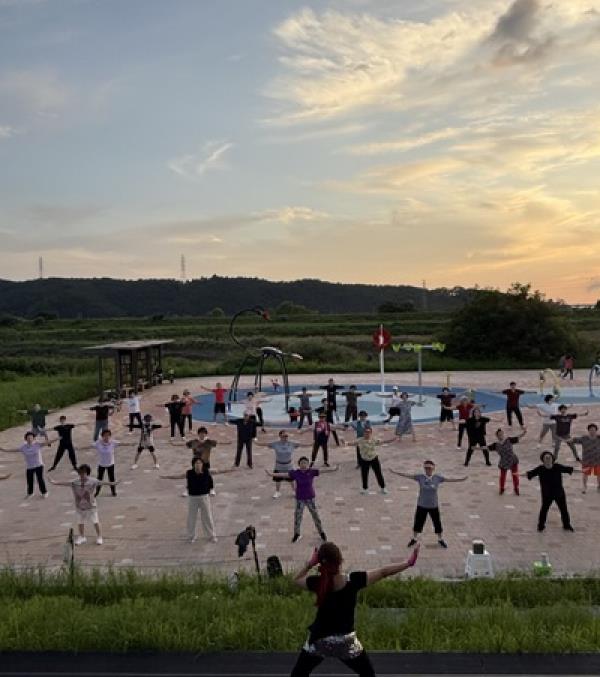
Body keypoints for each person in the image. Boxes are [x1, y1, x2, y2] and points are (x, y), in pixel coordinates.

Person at [289, 541, 419, 677]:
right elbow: (383, 572)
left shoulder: (318, 583)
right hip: (346, 642)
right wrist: (408, 563)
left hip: (318, 641)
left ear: (320, 562)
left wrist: (310, 563)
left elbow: (296, 580)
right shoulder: (354, 580)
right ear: (340, 560)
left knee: (298, 674)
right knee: (368, 674)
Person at [391, 460, 466, 548]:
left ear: (433, 468)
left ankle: (440, 539)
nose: (427, 470)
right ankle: (414, 538)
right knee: (418, 523)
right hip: (421, 505)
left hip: (433, 505)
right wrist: (395, 472)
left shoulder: (437, 478)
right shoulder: (420, 477)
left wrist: (461, 479)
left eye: (429, 468)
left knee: (437, 523)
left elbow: (450, 479)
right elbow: (407, 475)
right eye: (426, 468)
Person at [161, 458, 235, 542]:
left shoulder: (206, 472)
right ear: (193, 465)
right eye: (196, 463)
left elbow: (218, 471)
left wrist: (230, 470)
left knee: (207, 517)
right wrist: (166, 477)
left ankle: (211, 535)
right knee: (191, 518)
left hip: (204, 497)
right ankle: (191, 536)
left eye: (200, 463)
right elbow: (179, 476)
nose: (198, 465)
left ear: (202, 464)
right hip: (193, 498)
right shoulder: (189, 473)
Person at [267, 456, 338, 543]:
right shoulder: (296, 473)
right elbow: (283, 474)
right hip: (300, 499)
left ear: (308, 464)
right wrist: (271, 474)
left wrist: (333, 469)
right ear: (299, 464)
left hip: (310, 498)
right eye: (302, 463)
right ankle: (297, 534)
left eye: (305, 463)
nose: (304, 465)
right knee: (298, 517)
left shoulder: (311, 472)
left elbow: (323, 471)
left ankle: (321, 532)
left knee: (315, 516)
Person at [49, 463, 118, 545]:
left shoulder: (93, 481)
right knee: (80, 522)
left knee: (95, 521)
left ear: (87, 473)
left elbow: (103, 483)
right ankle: (82, 537)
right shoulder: (75, 482)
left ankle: (99, 537)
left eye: (83, 473)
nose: (81, 475)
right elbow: (65, 483)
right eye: (80, 473)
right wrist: (54, 482)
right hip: (79, 506)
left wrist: (113, 483)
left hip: (91, 506)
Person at [525, 451, 575, 532]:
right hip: (547, 494)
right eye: (546, 458)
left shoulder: (557, 467)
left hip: (559, 493)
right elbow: (530, 473)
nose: (548, 459)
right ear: (543, 460)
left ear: (552, 459)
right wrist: (518, 474)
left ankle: (567, 525)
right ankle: (541, 526)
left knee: (564, 509)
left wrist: (582, 470)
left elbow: (569, 469)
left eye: (549, 457)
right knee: (544, 510)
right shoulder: (540, 469)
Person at [255, 429, 312, 498]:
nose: (285, 437)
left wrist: (311, 444)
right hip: (279, 465)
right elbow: (264, 444)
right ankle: (277, 492)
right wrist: (255, 442)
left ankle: (294, 491)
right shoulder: (275, 444)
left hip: (288, 465)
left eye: (286, 436)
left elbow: (302, 445)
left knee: (291, 479)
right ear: (280, 436)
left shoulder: (291, 443)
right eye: (284, 436)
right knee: (278, 479)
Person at [0, 432, 51, 498]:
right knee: (29, 480)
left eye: (31, 437)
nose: (29, 439)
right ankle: (30, 493)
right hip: (30, 467)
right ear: (25, 439)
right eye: (28, 438)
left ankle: (44, 492)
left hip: (39, 465)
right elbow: (13, 450)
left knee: (40, 479)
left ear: (34, 438)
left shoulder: (37, 444)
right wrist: (3, 449)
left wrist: (58, 438)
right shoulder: (23, 447)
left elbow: (48, 442)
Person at [355, 427, 396, 495]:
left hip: (374, 459)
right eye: (366, 432)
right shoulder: (360, 440)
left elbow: (383, 441)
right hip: (364, 460)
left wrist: (391, 440)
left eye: (368, 432)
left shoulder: (373, 439)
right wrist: (345, 442)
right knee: (364, 475)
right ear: (363, 433)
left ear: (371, 433)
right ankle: (365, 489)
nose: (367, 433)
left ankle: (383, 488)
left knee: (378, 473)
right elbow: (352, 443)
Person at [488, 427, 527, 495]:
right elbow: (486, 447)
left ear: (503, 434)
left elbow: (518, 437)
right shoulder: (495, 445)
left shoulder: (509, 440)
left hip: (513, 460)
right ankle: (502, 488)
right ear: (497, 436)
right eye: (499, 435)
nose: (501, 435)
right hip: (503, 462)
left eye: (501, 434)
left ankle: (516, 488)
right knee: (502, 477)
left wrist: (524, 432)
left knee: (515, 475)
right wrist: (476, 448)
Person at [570, 423, 600, 493]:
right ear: (588, 431)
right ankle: (584, 487)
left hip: (598, 460)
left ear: (596, 430)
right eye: (591, 430)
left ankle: (599, 487)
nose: (592, 431)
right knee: (585, 474)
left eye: (594, 430)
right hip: (587, 460)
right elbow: (574, 440)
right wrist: (569, 440)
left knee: (599, 474)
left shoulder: (599, 438)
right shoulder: (584, 438)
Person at [93, 429, 120, 497]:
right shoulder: (98, 443)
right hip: (101, 464)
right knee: (99, 478)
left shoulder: (113, 442)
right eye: (105, 435)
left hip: (110, 464)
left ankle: (113, 491)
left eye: (108, 435)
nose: (106, 437)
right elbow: (91, 446)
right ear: (102, 436)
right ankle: (97, 492)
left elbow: (122, 443)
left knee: (111, 478)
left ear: (110, 436)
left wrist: (131, 444)